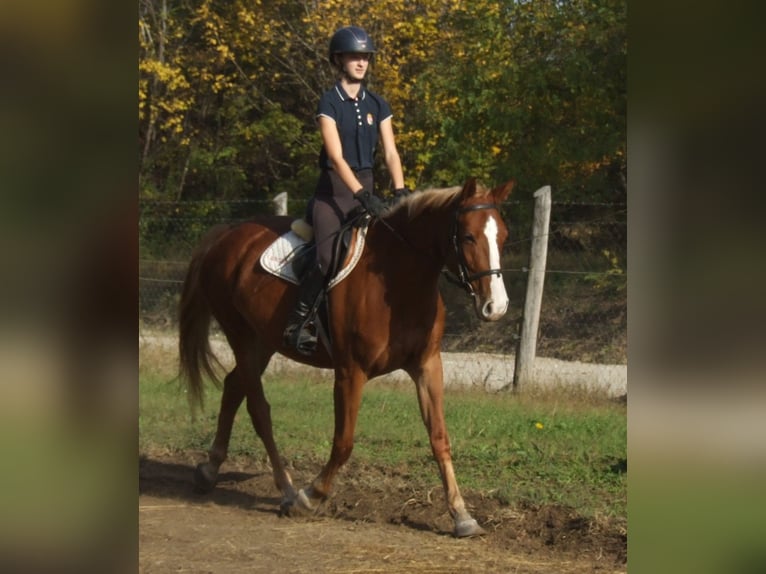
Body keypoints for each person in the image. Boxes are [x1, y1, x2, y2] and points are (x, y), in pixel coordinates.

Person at [283, 25, 409, 355]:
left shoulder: (378, 104)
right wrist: (361, 194)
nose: (361, 62)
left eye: (365, 57)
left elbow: (391, 152)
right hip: (333, 195)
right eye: (354, 56)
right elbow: (336, 157)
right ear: (339, 59)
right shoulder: (329, 102)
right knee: (327, 258)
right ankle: (299, 323)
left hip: (366, 190)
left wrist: (400, 190)